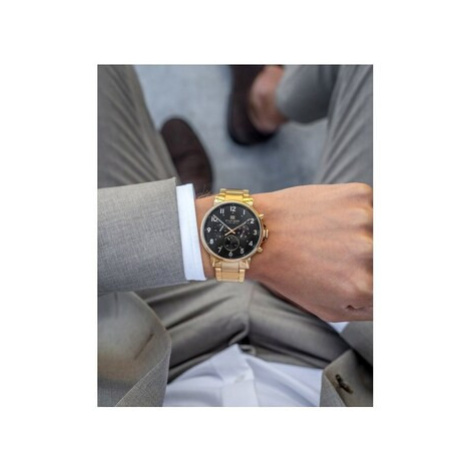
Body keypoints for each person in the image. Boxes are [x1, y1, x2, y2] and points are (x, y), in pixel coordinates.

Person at [98, 64, 373, 407]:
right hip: (334, 335)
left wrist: (190, 233)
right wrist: (345, 291)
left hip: (150, 326)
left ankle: (193, 198)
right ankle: (261, 106)